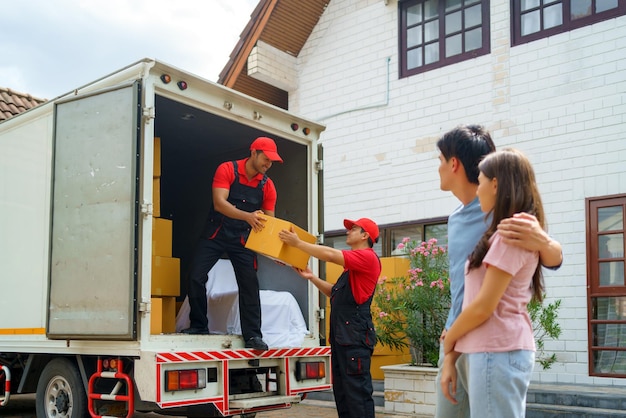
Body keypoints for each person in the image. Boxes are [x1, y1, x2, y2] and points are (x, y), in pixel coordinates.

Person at [434, 125, 563, 418]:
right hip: (457, 338)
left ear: (453, 163)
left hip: (492, 342)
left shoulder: (503, 214)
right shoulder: (454, 219)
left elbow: (551, 258)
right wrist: (450, 338)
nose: (437, 167)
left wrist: (543, 240)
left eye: (439, 160)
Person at [181, 136, 283, 351]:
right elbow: (219, 203)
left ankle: (254, 336)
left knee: (249, 285)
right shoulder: (227, 169)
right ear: (253, 153)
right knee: (195, 276)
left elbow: (269, 224)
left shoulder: (268, 186)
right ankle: (199, 325)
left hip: (242, 239)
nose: (268, 164)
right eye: (266, 158)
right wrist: (247, 216)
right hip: (216, 233)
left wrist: (277, 255)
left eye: (272, 161)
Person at [278, 218, 381, 418]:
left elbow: (331, 255)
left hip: (354, 339)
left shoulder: (367, 258)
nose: (348, 232)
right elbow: (335, 293)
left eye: (353, 229)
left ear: (365, 235)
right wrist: (312, 277)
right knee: (343, 396)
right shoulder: (352, 268)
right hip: (345, 338)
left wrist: (298, 243)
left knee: (357, 397)